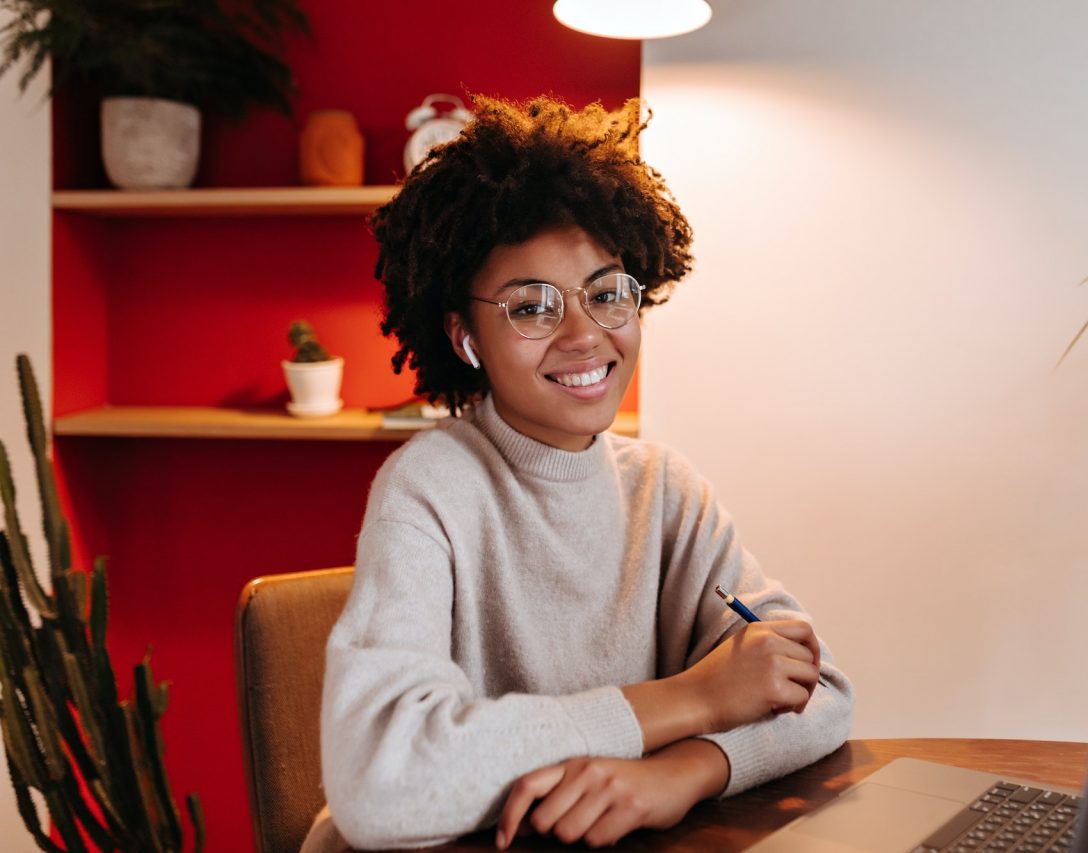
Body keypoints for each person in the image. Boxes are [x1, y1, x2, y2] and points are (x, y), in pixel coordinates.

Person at [300, 96, 854, 852]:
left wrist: (687, 770)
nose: (585, 334)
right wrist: (691, 699)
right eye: (531, 306)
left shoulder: (664, 490)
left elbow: (816, 689)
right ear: (464, 337)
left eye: (606, 292)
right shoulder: (428, 487)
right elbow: (380, 782)